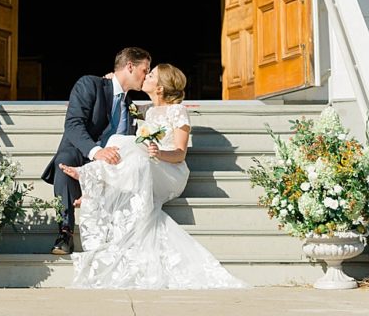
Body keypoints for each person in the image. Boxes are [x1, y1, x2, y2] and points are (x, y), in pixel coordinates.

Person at [59, 63, 248, 289]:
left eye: (151, 75)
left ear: (159, 88)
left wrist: (160, 153)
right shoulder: (147, 110)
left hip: (170, 170)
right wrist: (112, 80)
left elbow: (180, 153)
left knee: (135, 156)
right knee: (120, 142)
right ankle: (95, 186)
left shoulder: (178, 111)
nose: (145, 76)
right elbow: (119, 97)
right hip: (147, 166)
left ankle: (91, 181)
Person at [41, 46, 151, 255]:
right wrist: (95, 152)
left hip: (110, 164)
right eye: (145, 70)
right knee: (63, 160)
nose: (146, 76)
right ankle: (65, 232)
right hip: (83, 152)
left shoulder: (130, 105)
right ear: (130, 66)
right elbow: (73, 124)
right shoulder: (90, 84)